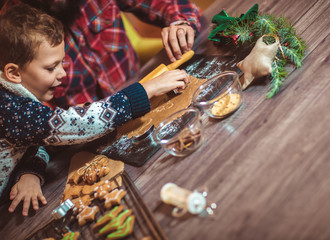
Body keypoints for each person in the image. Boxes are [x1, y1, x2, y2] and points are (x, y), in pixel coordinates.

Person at [0, 4, 190, 216]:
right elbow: (78, 125)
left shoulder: (19, 106)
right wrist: (146, 90)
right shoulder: (9, 109)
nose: (62, 74)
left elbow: (39, 141)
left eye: (62, 63)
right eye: (51, 67)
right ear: (14, 73)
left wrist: (30, 171)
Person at [2, 0, 202, 108]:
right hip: (87, 130)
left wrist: (180, 24)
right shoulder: (12, 30)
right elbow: (31, 117)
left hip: (152, 93)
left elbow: (167, 4)